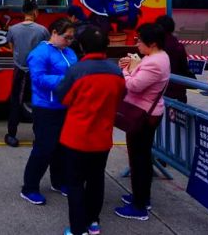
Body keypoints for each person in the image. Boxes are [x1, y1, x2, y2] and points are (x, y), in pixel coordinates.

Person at [54, 26, 125, 235]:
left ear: (82, 46)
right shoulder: (116, 71)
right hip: (102, 138)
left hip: (76, 138)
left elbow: (63, 97)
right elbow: (121, 96)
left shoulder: (76, 70)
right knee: (96, 180)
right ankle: (93, 222)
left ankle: (77, 229)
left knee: (75, 184)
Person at [114, 23, 170, 221]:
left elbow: (135, 86)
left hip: (143, 115)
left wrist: (126, 72)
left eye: (140, 40)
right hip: (147, 112)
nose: (137, 44)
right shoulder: (157, 57)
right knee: (141, 158)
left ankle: (139, 207)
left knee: (139, 160)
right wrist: (131, 65)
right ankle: (141, 197)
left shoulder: (155, 62)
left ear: (152, 43)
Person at [20, 18, 78, 206]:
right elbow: (38, 78)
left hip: (65, 106)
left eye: (71, 38)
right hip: (46, 106)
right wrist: (67, 80)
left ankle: (58, 181)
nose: (69, 41)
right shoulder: (40, 53)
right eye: (66, 37)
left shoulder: (69, 52)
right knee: (44, 148)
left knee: (62, 148)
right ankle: (29, 187)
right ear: (54, 33)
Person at [5, 0, 49, 148]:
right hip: (37, 72)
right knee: (38, 103)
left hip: (19, 71)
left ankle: (11, 135)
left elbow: (11, 46)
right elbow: (47, 49)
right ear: (35, 12)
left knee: (16, 103)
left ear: (23, 13)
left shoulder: (13, 29)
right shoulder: (42, 30)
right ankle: (39, 137)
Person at [154, 15, 191, 103]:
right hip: (177, 89)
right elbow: (184, 67)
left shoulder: (155, 45)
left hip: (160, 88)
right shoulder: (178, 45)